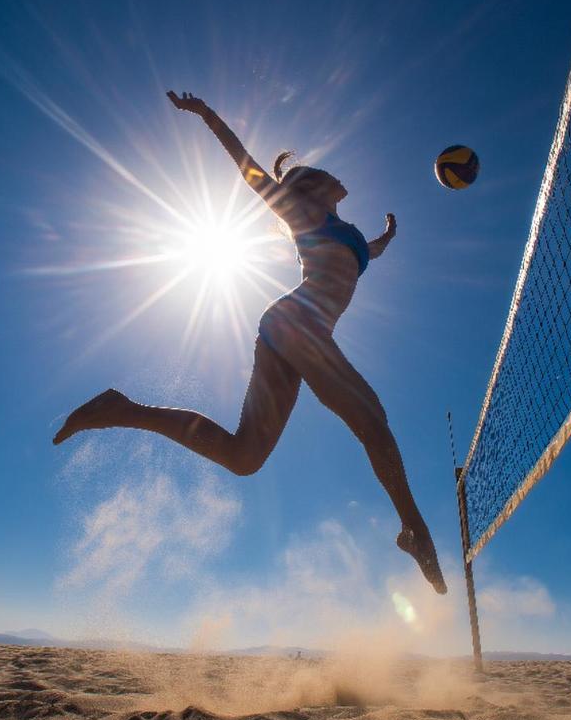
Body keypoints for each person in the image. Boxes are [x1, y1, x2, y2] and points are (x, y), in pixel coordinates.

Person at [53, 92, 448, 594]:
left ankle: (123, 408)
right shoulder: (304, 214)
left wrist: (387, 237)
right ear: (317, 186)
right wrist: (207, 116)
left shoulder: (346, 233)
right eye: (327, 174)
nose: (338, 177)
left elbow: (366, 251)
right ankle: (413, 529)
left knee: (245, 458)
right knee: (372, 421)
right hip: (296, 325)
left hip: (290, 336)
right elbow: (250, 170)